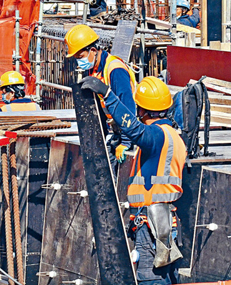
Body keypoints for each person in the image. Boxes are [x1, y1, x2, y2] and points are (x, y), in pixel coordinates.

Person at [79, 75, 186, 284]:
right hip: (164, 221)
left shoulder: (156, 136)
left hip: (152, 223)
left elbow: (136, 131)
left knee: (151, 279)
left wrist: (107, 95)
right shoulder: (173, 135)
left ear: (142, 110)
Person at [65, 24, 136, 172]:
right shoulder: (94, 70)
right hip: (116, 131)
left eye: (80, 57)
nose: (79, 62)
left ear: (92, 50)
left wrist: (126, 142)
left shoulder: (115, 69)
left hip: (131, 132)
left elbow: (128, 107)